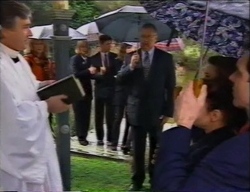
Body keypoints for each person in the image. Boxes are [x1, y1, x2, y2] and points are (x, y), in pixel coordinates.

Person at [153, 49, 250, 190]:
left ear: (216, 115)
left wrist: (184, 123)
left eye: (240, 73)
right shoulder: (232, 137)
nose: (232, 78)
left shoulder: (239, 150)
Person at [0, 1, 70, 191]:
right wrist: (47, 106)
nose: (30, 34)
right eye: (25, 27)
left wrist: (43, 87)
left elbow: (25, 91)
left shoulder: (17, 58)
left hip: (39, 149)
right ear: (3, 30)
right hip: (11, 167)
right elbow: (9, 117)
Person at [117, 23, 176, 191]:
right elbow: (120, 79)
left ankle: (154, 179)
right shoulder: (131, 57)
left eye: (150, 36)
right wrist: (131, 67)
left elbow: (170, 86)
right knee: (137, 149)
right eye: (143, 36)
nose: (146, 40)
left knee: (156, 148)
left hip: (157, 110)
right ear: (139, 37)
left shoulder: (165, 58)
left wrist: (168, 111)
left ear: (156, 38)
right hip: (136, 110)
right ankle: (137, 181)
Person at [24, 39, 56, 137]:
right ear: (31, 46)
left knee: (47, 114)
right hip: (34, 91)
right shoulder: (28, 60)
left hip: (47, 90)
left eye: (41, 44)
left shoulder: (47, 60)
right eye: (36, 44)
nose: (39, 46)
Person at [90, 35, 117, 146]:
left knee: (111, 115)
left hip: (111, 88)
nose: (109, 46)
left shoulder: (115, 57)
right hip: (100, 89)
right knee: (99, 114)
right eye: (107, 44)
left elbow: (117, 72)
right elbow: (91, 75)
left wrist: (108, 72)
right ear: (101, 45)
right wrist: (100, 74)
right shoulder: (93, 58)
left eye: (111, 44)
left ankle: (110, 138)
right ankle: (100, 138)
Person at [70, 40, 95, 146]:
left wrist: (97, 74)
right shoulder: (75, 59)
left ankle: (84, 135)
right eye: (83, 47)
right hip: (78, 90)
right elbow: (76, 74)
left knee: (86, 114)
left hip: (87, 91)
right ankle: (80, 136)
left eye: (86, 47)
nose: (85, 49)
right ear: (79, 48)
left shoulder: (89, 59)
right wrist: (88, 71)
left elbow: (91, 75)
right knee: (79, 114)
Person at [111, 43, 131, 151]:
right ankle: (114, 142)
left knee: (129, 119)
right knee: (117, 118)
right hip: (120, 92)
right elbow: (118, 77)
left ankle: (125, 143)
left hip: (130, 93)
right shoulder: (117, 61)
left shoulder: (135, 61)